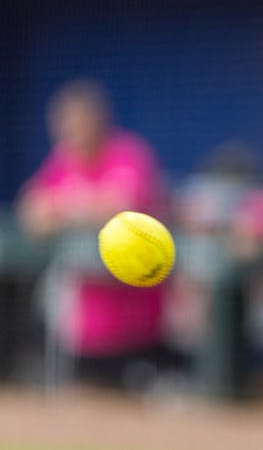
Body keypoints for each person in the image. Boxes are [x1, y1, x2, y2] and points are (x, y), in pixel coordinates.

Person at [16, 78, 169, 388]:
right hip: (83, 327)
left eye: (80, 121)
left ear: (98, 120)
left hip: (137, 320)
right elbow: (31, 210)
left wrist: (65, 208)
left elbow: (119, 203)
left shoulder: (127, 153)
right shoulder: (62, 162)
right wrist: (61, 208)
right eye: (65, 124)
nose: (73, 131)